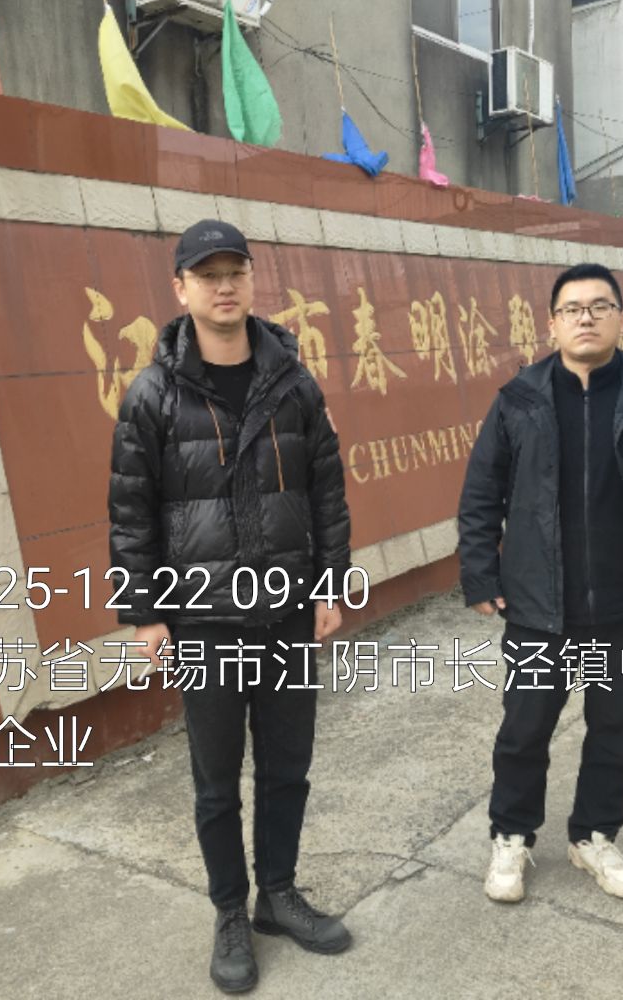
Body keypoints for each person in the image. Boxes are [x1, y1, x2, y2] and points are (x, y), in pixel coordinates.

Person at [109, 218, 353, 993]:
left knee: (288, 767)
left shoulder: (293, 381)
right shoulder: (153, 395)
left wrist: (329, 582)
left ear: (252, 281)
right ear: (180, 289)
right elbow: (130, 511)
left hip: (286, 610)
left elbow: (326, 488)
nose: (224, 287)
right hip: (204, 618)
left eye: (235, 272)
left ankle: (277, 894)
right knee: (216, 781)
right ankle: (229, 913)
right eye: (207, 275)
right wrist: (146, 612)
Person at [456, 263, 623, 905]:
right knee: (524, 729)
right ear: (551, 324)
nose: (586, 317)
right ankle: (511, 836)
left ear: (621, 319)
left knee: (618, 727)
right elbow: (481, 494)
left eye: (599, 306)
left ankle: (594, 836)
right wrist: (480, 572)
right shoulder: (519, 400)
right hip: (538, 603)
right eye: (572, 308)